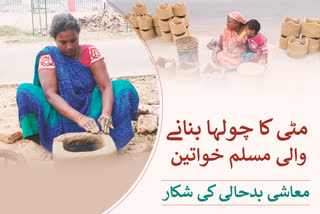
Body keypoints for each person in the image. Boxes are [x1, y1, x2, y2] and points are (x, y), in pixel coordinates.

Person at [16, 13, 139, 153]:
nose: (69, 46)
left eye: (73, 40)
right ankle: (44, 142)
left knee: (124, 87)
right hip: (60, 110)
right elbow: (50, 94)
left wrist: (106, 113)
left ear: (78, 36)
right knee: (24, 91)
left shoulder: (90, 52)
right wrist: (79, 118)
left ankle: (110, 137)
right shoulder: (49, 57)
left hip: (91, 106)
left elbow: (105, 85)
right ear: (55, 39)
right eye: (63, 42)